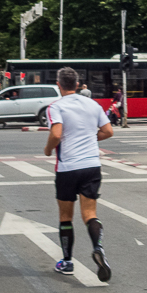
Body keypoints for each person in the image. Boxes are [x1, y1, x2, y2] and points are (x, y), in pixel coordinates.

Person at [43, 66, 113, 281]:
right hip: (92, 165)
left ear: (59, 85)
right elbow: (108, 131)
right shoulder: (93, 104)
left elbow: (56, 133)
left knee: (66, 217)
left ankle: (67, 261)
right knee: (90, 214)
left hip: (67, 167)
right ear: (77, 84)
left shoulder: (55, 107)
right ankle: (98, 248)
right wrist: (91, 139)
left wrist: (48, 149)